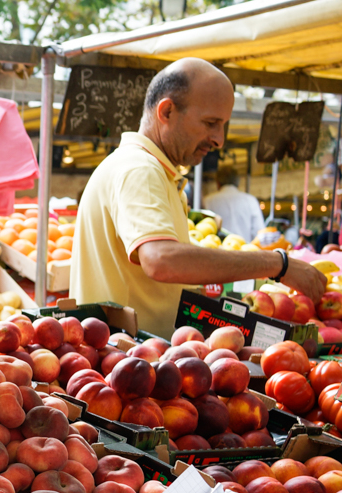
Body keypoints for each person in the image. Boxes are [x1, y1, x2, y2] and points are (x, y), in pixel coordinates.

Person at [71, 58, 324, 338]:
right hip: (129, 362)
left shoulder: (150, 169)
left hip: (139, 358)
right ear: (166, 111)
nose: (219, 139)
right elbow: (161, 260)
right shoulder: (140, 170)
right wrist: (277, 264)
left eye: (223, 125)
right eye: (210, 123)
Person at [203, 165, 264, 242]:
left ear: (218, 183)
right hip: (245, 251)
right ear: (238, 183)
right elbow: (259, 233)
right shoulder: (251, 201)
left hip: (215, 250)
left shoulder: (207, 200)